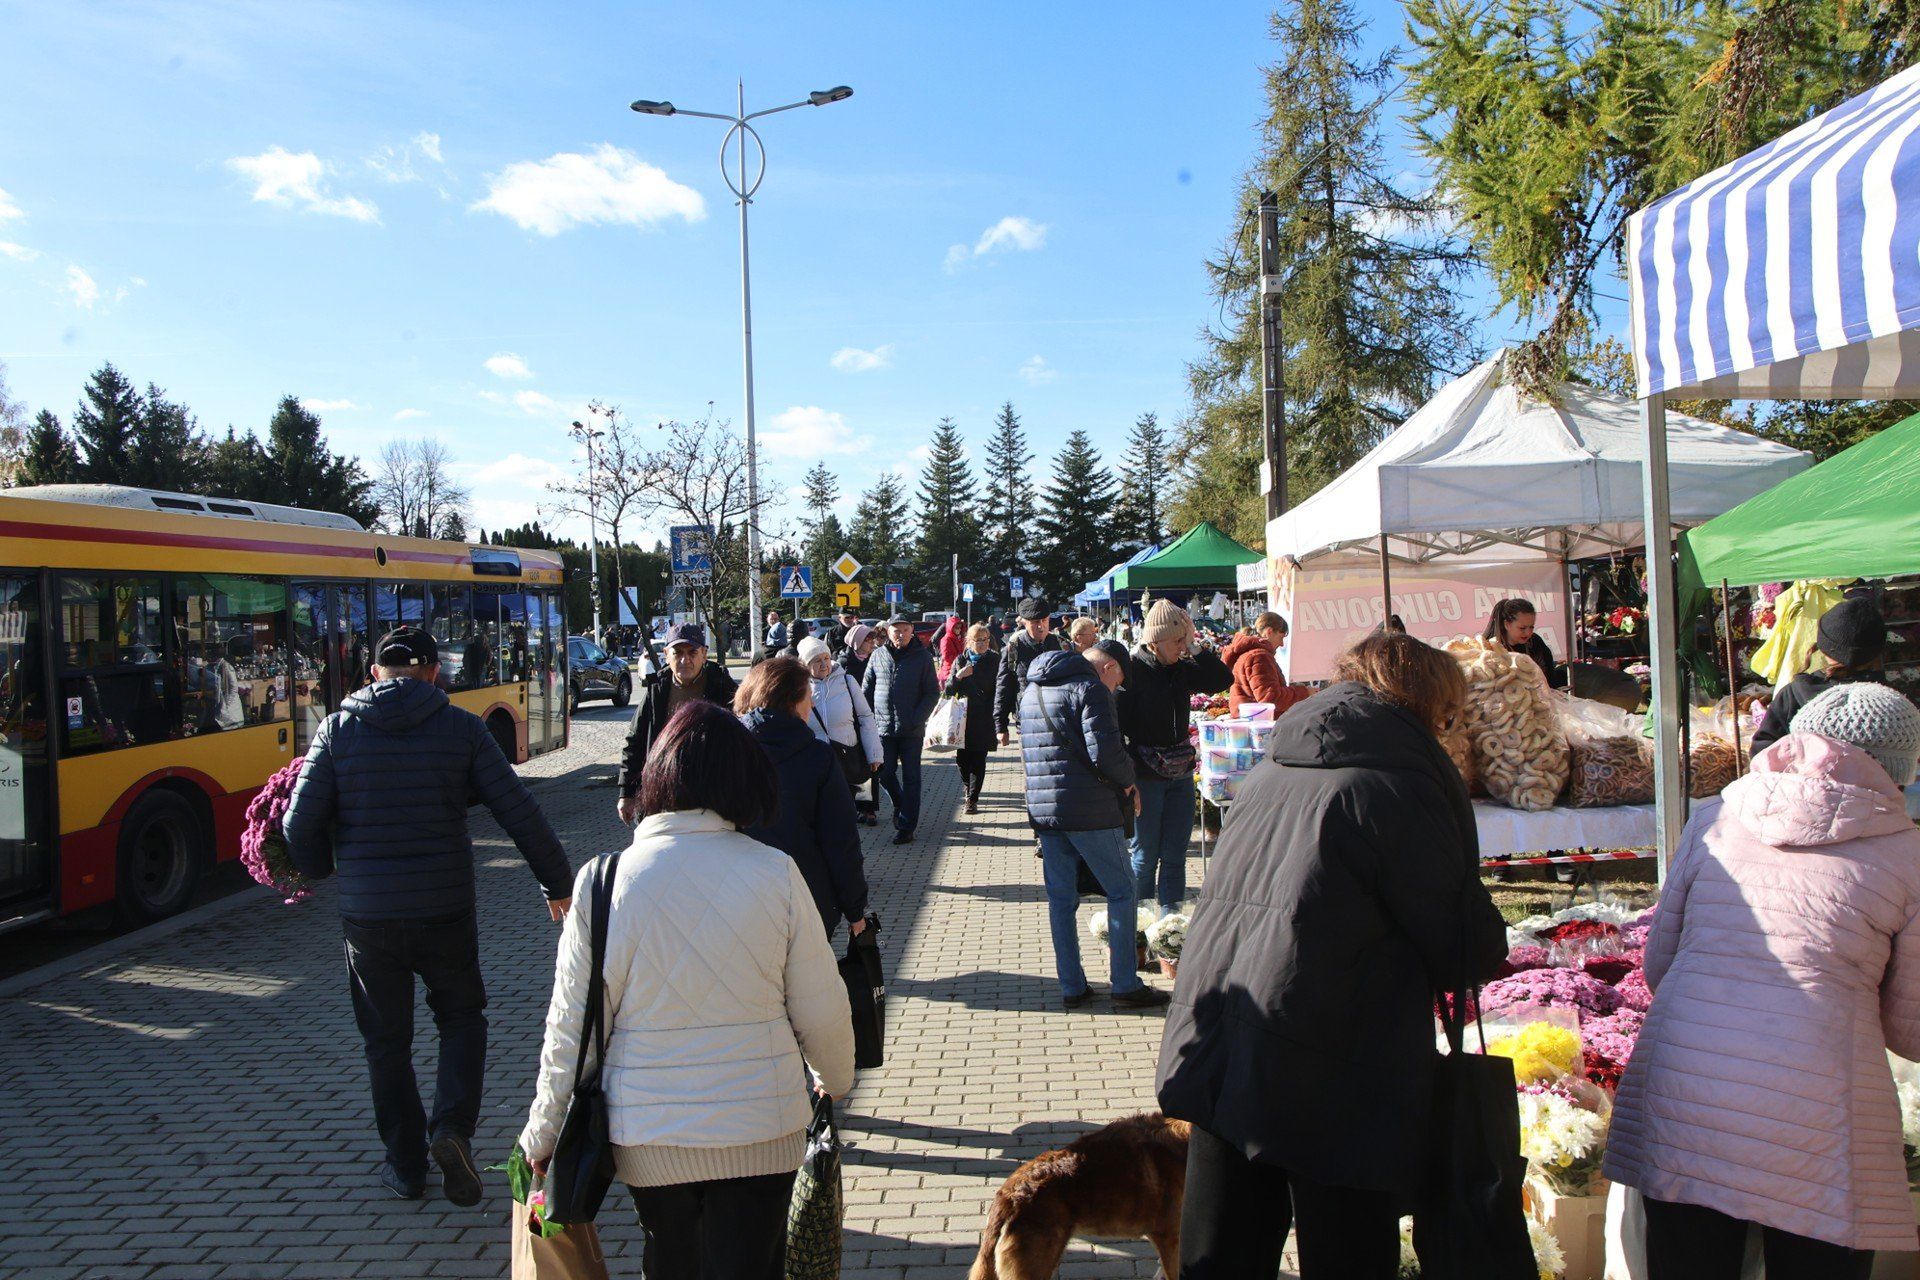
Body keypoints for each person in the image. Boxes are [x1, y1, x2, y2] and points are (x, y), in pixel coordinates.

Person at [1156, 632, 1508, 1278]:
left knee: (1220, 1258)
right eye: (1447, 715)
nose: (1447, 728)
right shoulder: (1396, 785)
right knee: (1348, 1257)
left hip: (1226, 1047)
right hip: (1334, 1068)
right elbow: (1465, 945)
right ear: (1425, 705)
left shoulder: (1272, 768)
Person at [519, 702, 854, 1280]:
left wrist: (541, 1135)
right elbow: (821, 1007)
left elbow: (572, 1030)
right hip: (764, 1127)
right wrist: (835, 1077)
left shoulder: (603, 883)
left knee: (670, 1259)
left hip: (650, 1139)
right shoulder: (776, 872)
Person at [1603, 683, 1920, 1280]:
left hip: (1686, 1090)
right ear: (1900, 769)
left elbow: (1659, 966)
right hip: (1820, 1114)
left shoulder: (1715, 819)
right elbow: (1912, 1028)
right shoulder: (1909, 854)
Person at [283, 626, 574, 1205]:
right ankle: (452, 1129)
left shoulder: (338, 731)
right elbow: (518, 810)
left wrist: (320, 870)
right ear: (435, 673)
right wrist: (559, 884)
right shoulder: (461, 729)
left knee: (385, 1043)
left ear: (373, 674)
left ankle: (405, 1165)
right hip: (445, 910)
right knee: (462, 1017)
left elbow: (297, 826)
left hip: (370, 920)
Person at [1017, 648, 1165, 1010]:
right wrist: (1130, 783)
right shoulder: (1089, 689)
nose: (1116, 689)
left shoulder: (1031, 690)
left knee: (1061, 900)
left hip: (1046, 810)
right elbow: (1106, 753)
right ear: (1109, 667)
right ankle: (1125, 983)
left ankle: (1072, 986)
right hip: (1090, 810)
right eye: (1119, 681)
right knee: (1122, 891)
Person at [733, 657, 871, 940]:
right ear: (793, 702)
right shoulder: (817, 757)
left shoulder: (724, 752)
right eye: (809, 697)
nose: (812, 705)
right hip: (806, 900)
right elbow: (840, 841)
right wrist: (854, 909)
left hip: (737, 901)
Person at [1118, 601, 1231, 912]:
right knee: (1144, 853)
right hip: (1145, 776)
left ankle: (1171, 928)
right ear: (1155, 641)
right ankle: (1138, 928)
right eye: (1177, 641)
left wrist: (1195, 645)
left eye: (1184, 641)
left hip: (1180, 773)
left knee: (1175, 854)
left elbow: (1222, 681)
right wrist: (1128, 778)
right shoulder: (1132, 672)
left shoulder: (1181, 668)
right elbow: (1117, 727)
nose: (1182, 648)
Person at [617, 624, 739, 826]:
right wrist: (626, 793)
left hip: (712, 797)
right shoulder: (657, 689)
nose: (685, 660)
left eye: (692, 652)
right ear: (666, 654)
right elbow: (635, 741)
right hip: (664, 793)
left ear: (704, 654)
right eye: (678, 652)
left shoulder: (722, 687)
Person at [1749, 595, 1888, 755]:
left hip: (1803, 778)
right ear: (1877, 652)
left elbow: (1762, 751)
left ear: (1822, 646)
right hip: (1872, 780)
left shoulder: (1794, 694)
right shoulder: (1888, 699)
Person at [863, 616, 940, 845]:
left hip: (911, 730)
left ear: (912, 631)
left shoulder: (923, 657)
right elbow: (866, 690)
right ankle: (899, 802)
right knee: (883, 772)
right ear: (888, 632)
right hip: (883, 728)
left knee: (912, 778)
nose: (900, 634)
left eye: (905, 630)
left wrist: (918, 718)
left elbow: (932, 693)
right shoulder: (878, 655)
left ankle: (906, 827)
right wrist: (867, 720)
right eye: (896, 630)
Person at [800, 636, 883, 820]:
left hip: (847, 754)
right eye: (817, 660)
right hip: (816, 759)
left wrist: (874, 753)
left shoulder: (847, 681)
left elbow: (866, 717)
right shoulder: (799, 687)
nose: (824, 664)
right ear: (805, 665)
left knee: (844, 807)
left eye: (826, 658)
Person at [944, 623, 1001, 814]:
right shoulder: (961, 660)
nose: (983, 644)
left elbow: (1001, 688)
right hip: (962, 719)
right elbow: (947, 691)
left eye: (985, 639)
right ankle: (967, 787)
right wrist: (959, 677)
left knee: (978, 759)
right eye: (978, 640)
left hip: (984, 718)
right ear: (969, 641)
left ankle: (972, 798)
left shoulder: (995, 660)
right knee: (962, 760)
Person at [995, 597, 1066, 746]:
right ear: (1024, 622)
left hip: (1060, 720)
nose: (1041, 626)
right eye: (1035, 622)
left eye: (1044, 621)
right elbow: (1004, 687)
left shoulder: (1062, 645)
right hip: (1028, 722)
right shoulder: (1013, 648)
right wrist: (1001, 726)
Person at [1220, 611, 1313, 718]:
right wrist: (1304, 692)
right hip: (1258, 725)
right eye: (1281, 637)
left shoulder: (1249, 654)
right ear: (1269, 632)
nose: (1282, 644)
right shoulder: (1259, 656)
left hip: (1248, 721)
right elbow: (1270, 698)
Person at [1484, 597, 1564, 688]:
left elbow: (1549, 680)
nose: (1528, 633)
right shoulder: (1490, 649)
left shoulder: (1536, 643)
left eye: (1531, 627)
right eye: (1522, 628)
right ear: (1507, 624)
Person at [936, 614, 966, 682]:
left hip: (957, 668)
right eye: (957, 628)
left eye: (960, 628)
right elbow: (947, 657)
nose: (959, 629)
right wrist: (960, 658)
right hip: (949, 671)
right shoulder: (946, 639)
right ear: (951, 628)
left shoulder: (959, 638)